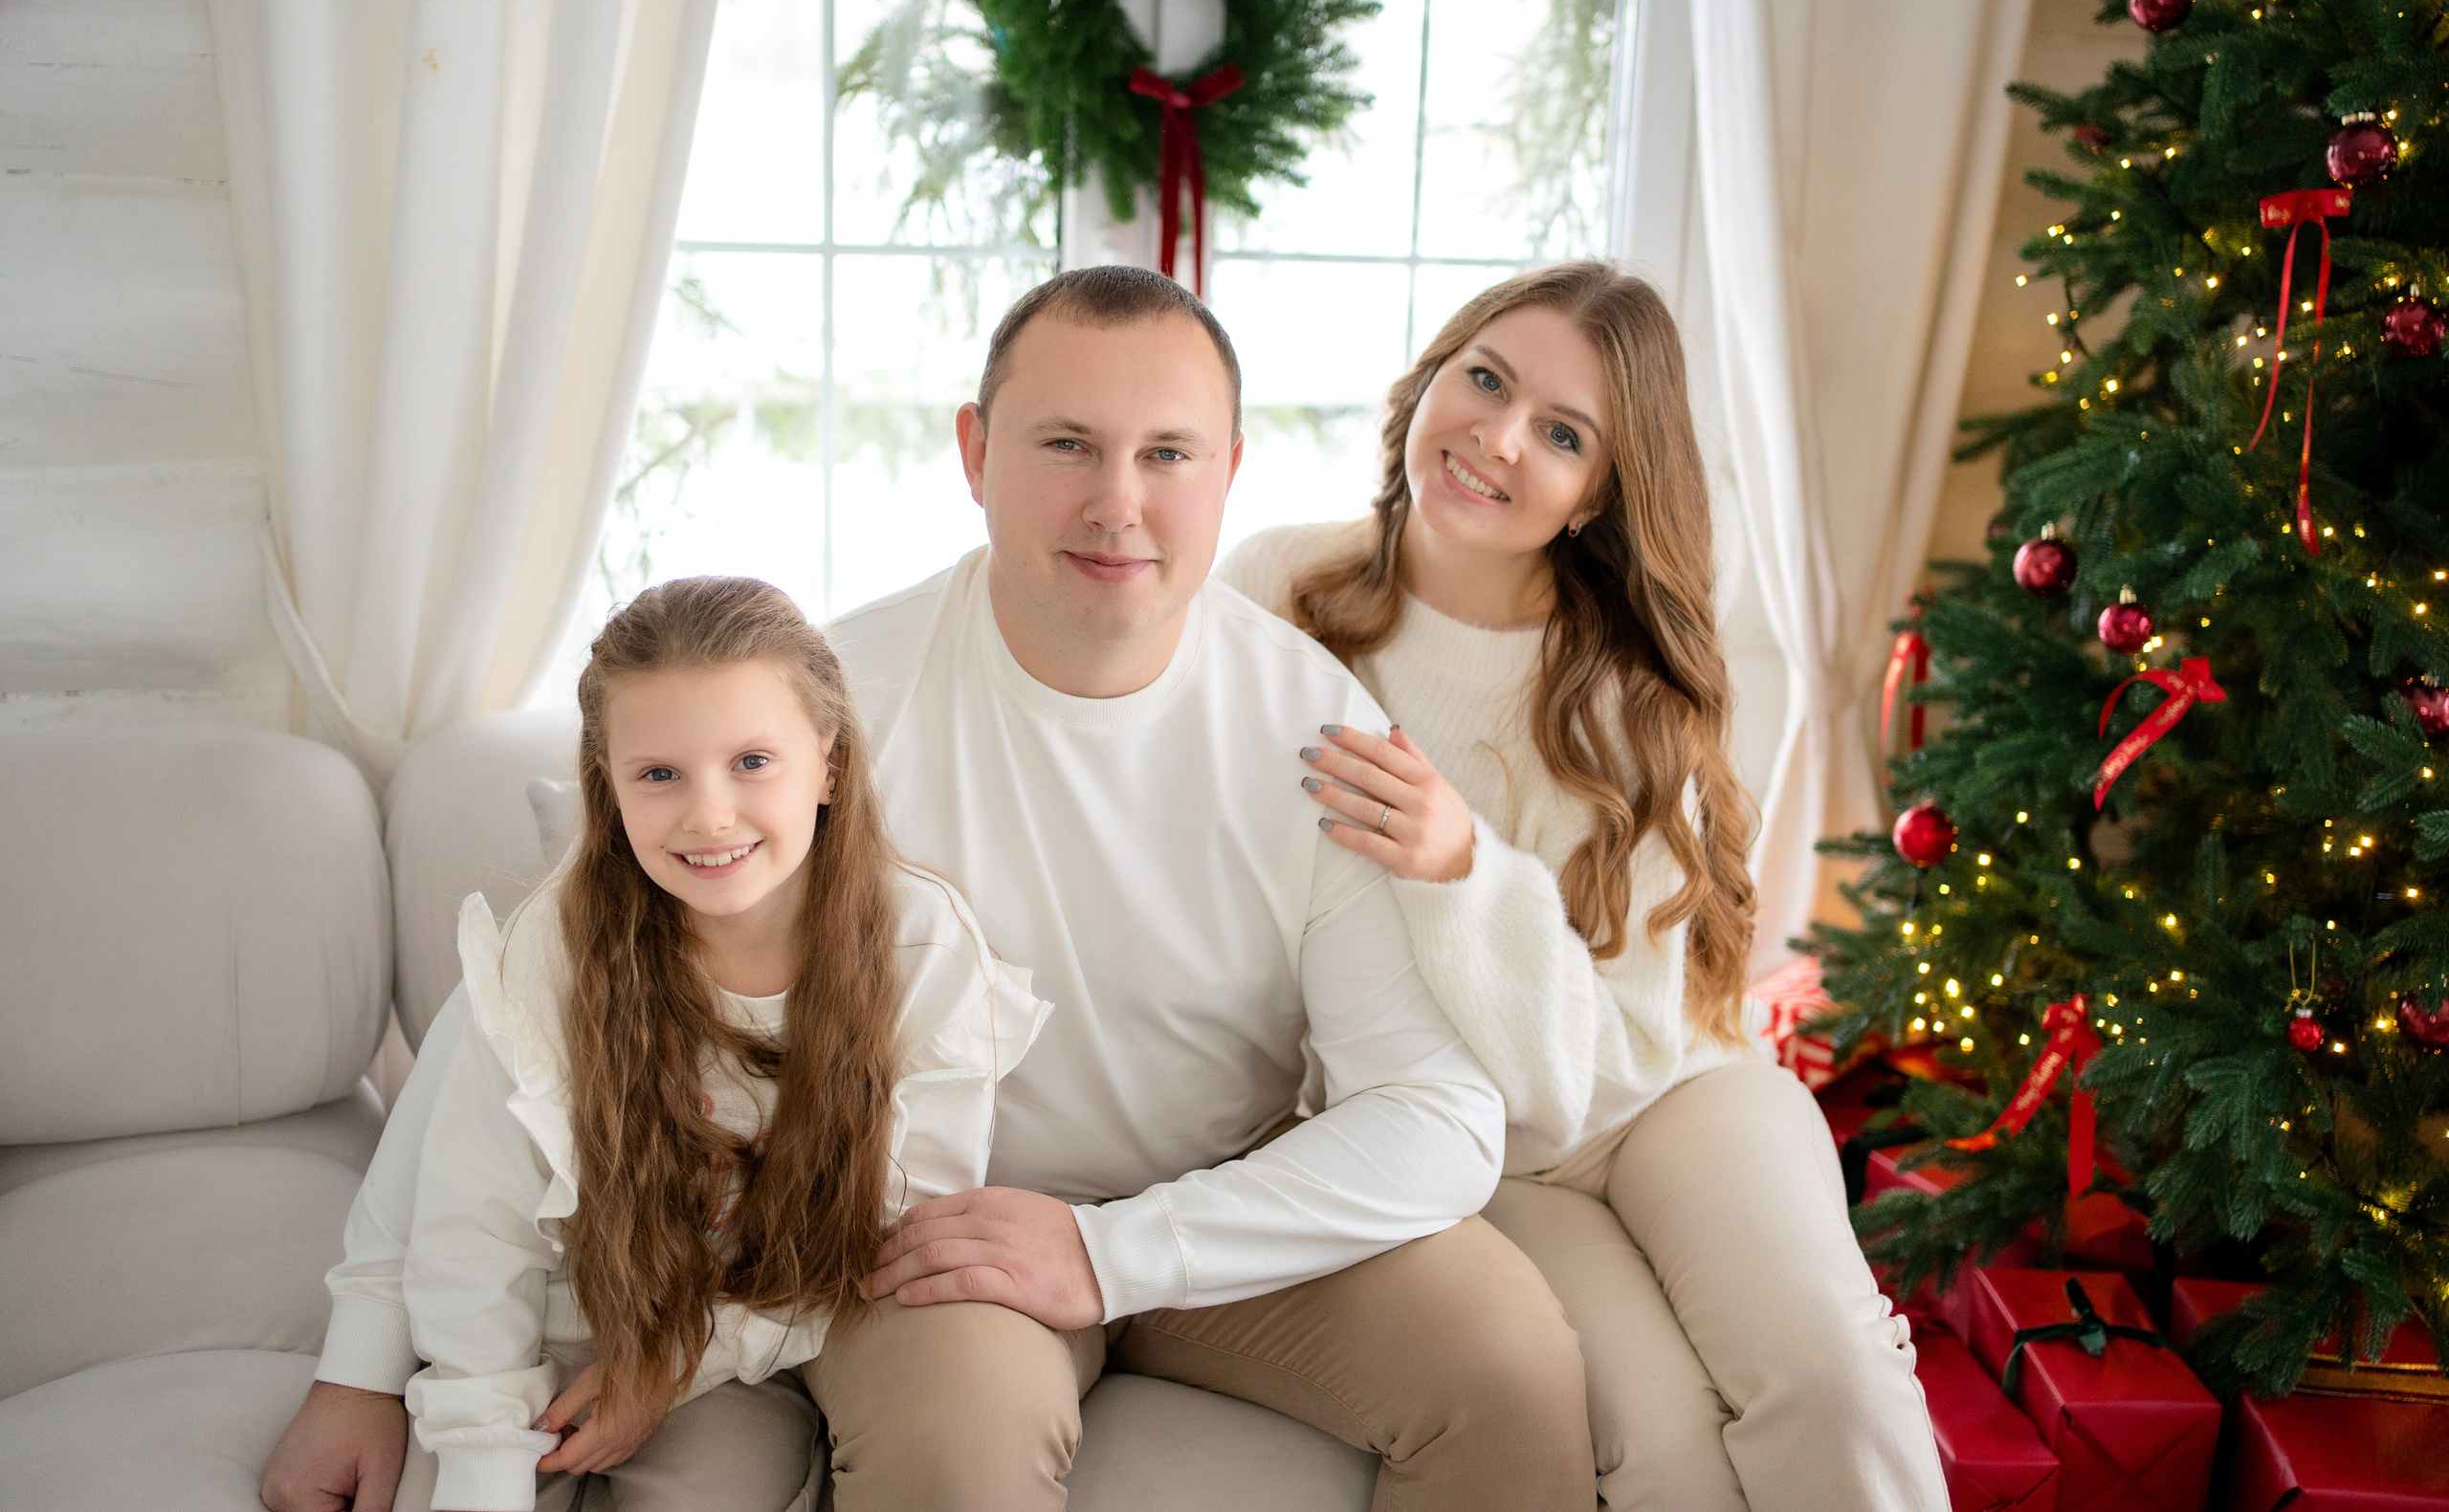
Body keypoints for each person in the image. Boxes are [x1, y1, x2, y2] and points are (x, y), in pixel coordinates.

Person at [263, 265, 1595, 1512]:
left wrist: (1115, 1250)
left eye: (1168, 454)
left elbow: (1436, 1114)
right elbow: (523, 998)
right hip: (913, 1233)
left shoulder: (1316, 731)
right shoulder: (832, 711)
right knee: (958, 1443)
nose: (1116, 501)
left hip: (1225, 1197)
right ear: (975, 453)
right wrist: (360, 1365)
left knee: (1512, 1370)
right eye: (1065, 444)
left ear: (1230, 471)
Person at [1220, 261, 1950, 1512]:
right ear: (1428, 379)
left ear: (1598, 494)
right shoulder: (1277, 591)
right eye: (1484, 379)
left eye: (1562, 435)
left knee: (1833, 1384)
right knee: (1664, 1451)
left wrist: (1463, 869)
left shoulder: (1624, 694)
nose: (1499, 439)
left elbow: (1611, 1060)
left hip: (1665, 1089)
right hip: (1478, 1143)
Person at [388, 577, 1044, 1512]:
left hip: (739, 1352)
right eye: (659, 775)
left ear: (827, 762)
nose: (709, 815)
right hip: (541, 1324)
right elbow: (475, 1223)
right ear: (608, 786)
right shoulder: (555, 944)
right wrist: (483, 1449)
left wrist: (668, 1368)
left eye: (751, 762)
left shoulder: (921, 948)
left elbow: (890, 1238)